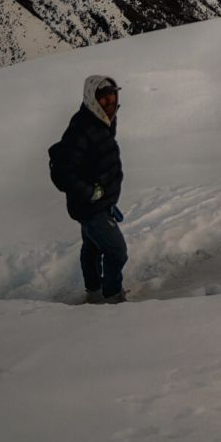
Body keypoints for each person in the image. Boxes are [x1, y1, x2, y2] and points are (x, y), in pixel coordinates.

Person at [48, 73, 127, 304]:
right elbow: (63, 173)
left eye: (112, 97)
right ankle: (113, 296)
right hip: (92, 206)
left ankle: (93, 291)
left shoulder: (102, 121)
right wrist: (91, 192)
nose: (110, 104)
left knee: (92, 247)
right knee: (116, 251)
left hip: (97, 203)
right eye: (103, 99)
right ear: (91, 99)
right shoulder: (82, 129)